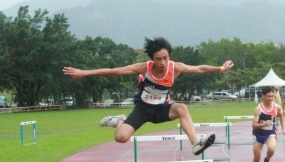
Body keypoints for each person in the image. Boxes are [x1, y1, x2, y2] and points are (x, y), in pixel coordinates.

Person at [63, 37, 234, 155]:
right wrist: (84, 73)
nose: (162, 63)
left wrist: (221, 68)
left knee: (181, 107)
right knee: (121, 138)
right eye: (158, 59)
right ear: (152, 59)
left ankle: (195, 142)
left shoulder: (176, 67)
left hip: (162, 109)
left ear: (169, 56)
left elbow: (199, 68)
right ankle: (118, 120)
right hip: (143, 109)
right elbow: (113, 71)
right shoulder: (144, 67)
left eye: (165, 58)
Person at [251, 87, 285, 162]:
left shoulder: (277, 107)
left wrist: (283, 128)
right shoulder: (258, 109)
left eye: (272, 96)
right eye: (268, 96)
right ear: (263, 96)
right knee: (256, 157)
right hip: (258, 134)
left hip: (270, 133)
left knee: (271, 149)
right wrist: (264, 124)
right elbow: (254, 125)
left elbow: (280, 115)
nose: (270, 98)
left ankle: (267, 160)